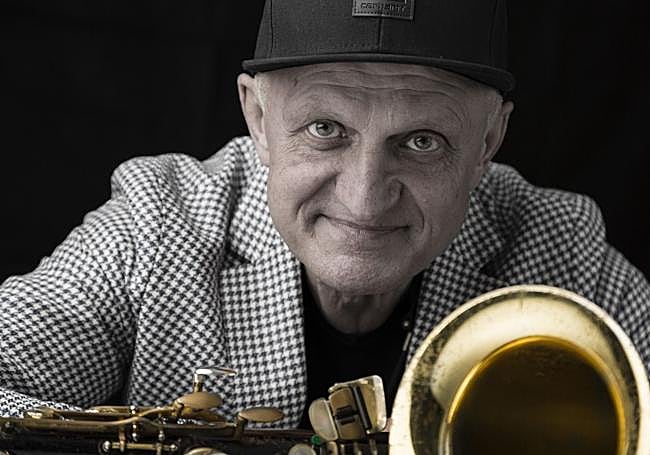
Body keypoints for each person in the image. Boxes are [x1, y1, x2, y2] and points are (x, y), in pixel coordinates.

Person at [0, 0, 648, 431]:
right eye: (325, 128)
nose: (365, 199)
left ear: (488, 140)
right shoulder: (158, 222)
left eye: (421, 141)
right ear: (259, 118)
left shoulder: (566, 258)